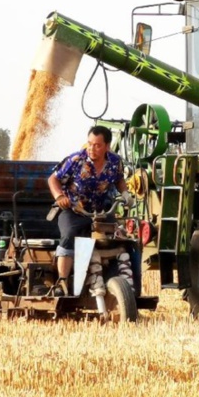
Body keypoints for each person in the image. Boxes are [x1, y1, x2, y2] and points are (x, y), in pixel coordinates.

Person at [47, 125, 129, 294]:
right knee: (69, 236)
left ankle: (122, 285)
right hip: (74, 210)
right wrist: (59, 197)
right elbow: (53, 179)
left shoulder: (115, 162)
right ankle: (62, 283)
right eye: (90, 143)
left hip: (101, 213)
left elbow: (119, 179)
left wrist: (126, 193)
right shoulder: (76, 160)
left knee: (121, 237)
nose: (92, 148)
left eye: (97, 145)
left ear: (107, 146)